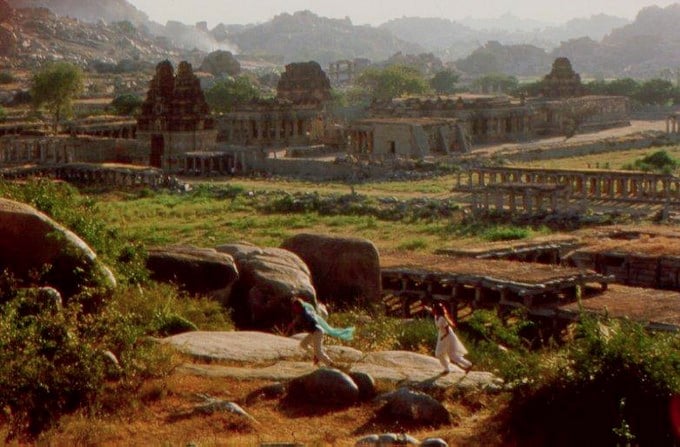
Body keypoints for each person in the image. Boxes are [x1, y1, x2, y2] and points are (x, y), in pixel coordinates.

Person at [286, 297, 355, 367]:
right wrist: (292, 324)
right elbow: (298, 319)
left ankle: (330, 363)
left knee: (318, 352)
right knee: (303, 344)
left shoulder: (306, 314)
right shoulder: (302, 312)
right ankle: (315, 356)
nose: (293, 308)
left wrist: (307, 322)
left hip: (317, 332)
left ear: (298, 306)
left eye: (294, 307)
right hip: (313, 332)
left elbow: (310, 319)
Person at [429, 301, 472, 374]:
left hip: (447, 336)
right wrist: (426, 307)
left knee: (439, 353)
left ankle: (448, 368)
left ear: (437, 310)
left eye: (433, 309)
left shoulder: (442, 319)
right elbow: (430, 310)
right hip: (442, 335)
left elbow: (447, 331)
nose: (432, 310)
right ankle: (467, 365)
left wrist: (443, 338)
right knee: (451, 354)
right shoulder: (436, 316)